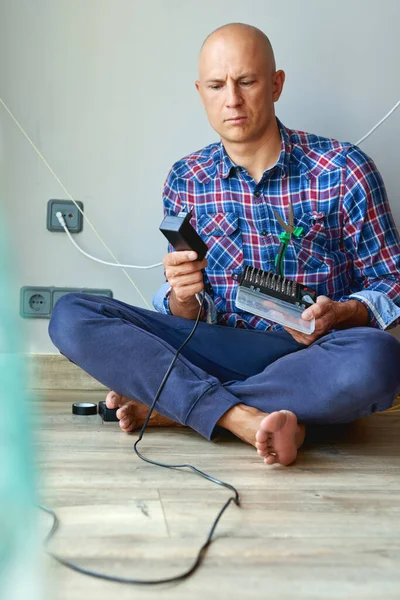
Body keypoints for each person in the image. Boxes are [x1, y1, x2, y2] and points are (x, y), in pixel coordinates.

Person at [49, 23, 400, 466]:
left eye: (247, 81)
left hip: (312, 357)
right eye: (216, 85)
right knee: (71, 315)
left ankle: (179, 409)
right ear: (201, 92)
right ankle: (241, 417)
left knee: (380, 358)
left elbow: (392, 281)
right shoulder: (185, 178)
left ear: (276, 84)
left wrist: (342, 313)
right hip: (217, 347)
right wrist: (181, 296)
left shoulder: (344, 168)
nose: (231, 100)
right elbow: (189, 317)